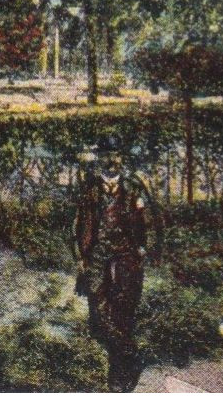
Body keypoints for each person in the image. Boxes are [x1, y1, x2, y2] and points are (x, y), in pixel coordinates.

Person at [73, 138, 160, 392]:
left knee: (123, 311)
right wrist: (80, 256)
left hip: (126, 256)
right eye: (107, 155)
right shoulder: (88, 188)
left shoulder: (134, 187)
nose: (112, 160)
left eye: (117, 154)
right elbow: (76, 225)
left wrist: (144, 249)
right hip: (97, 255)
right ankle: (130, 353)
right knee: (98, 316)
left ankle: (119, 372)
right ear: (99, 158)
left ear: (122, 158)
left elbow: (150, 221)